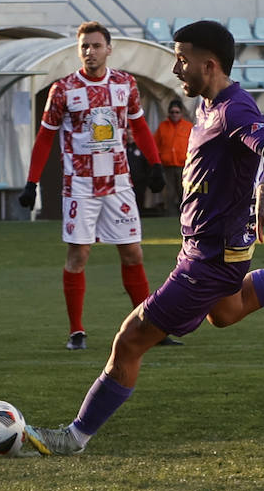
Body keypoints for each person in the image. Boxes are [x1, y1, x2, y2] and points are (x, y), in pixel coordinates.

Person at [18, 21, 264, 456]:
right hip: (212, 248)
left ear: (210, 64)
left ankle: (73, 438)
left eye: (182, 59)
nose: (175, 67)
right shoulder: (206, 105)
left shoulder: (232, 109)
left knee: (129, 341)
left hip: (210, 257)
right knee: (226, 311)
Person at [17, 22, 167, 349]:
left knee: (132, 252)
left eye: (97, 46)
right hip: (80, 186)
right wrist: (32, 182)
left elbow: (140, 126)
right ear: (79, 49)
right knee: (79, 255)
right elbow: (44, 138)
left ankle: (149, 330)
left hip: (118, 183)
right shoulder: (64, 90)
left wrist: (155, 164)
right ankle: (76, 332)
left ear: (109, 49)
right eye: (85, 46)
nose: (90, 51)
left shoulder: (126, 84)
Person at [154, 100, 192, 215]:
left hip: (184, 166)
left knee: (184, 191)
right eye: (172, 112)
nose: (174, 114)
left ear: (181, 113)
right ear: (168, 113)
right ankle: (169, 215)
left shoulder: (188, 127)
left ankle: (186, 214)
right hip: (167, 165)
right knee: (169, 192)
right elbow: (155, 145)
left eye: (177, 112)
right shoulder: (162, 126)